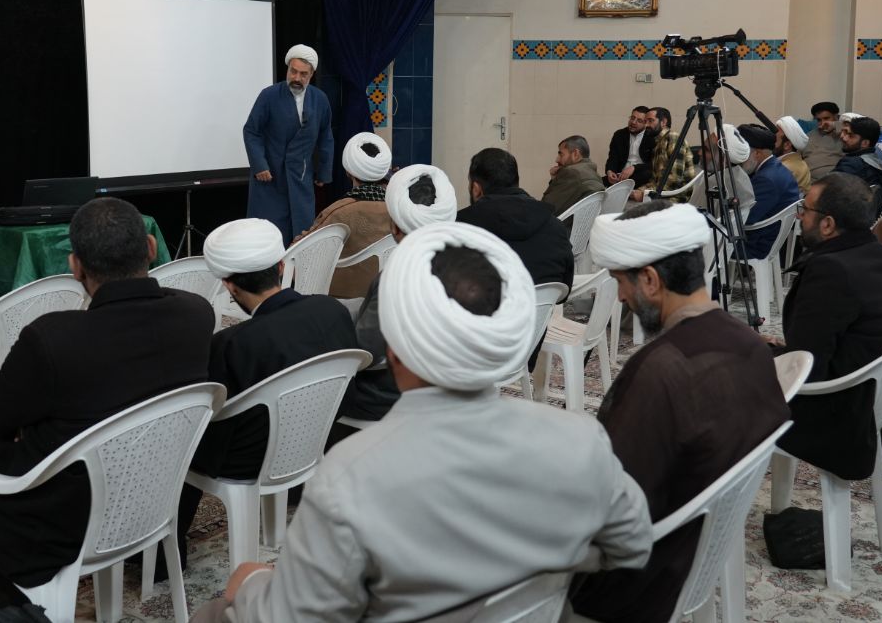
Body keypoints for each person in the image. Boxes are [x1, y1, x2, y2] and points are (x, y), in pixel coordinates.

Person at [195, 222, 653, 623]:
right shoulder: (581, 439)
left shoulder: (351, 475)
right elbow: (633, 546)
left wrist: (248, 585)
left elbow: (292, 616)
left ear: (394, 342)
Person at [0, 197, 213, 609]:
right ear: (151, 248)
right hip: (153, 493)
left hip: (64, 516)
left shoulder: (53, 337)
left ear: (75, 266)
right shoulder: (197, 313)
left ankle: (15, 610)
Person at [570, 201, 789, 623]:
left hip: (632, 584)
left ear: (650, 280)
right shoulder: (750, 344)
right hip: (690, 551)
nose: (621, 297)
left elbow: (610, 508)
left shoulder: (660, 371)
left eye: (620, 283)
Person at [177, 218, 361, 560]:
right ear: (281, 266)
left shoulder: (232, 343)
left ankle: (164, 553)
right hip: (317, 435)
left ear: (229, 287)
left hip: (250, 461)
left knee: (177, 436)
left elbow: (211, 416)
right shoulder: (332, 309)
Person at [773, 173, 882, 480]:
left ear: (827, 224)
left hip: (832, 423)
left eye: (805, 210)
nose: (799, 217)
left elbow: (806, 367)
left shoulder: (831, 269)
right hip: (866, 412)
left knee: (716, 376)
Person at [341, 164, 460, 426]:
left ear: (395, 226)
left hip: (386, 396)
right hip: (449, 389)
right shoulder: (465, 266)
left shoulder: (399, 276)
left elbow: (366, 352)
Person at [242, 44, 335, 245]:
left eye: (303, 74)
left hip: (301, 179)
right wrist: (260, 165)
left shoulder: (320, 100)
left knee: (300, 236)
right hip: (270, 180)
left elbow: (326, 136)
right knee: (268, 238)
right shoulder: (269, 96)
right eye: (293, 71)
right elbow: (251, 131)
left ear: (311, 74)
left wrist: (323, 172)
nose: (297, 78)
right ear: (288, 69)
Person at [457, 148, 574, 291]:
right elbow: (565, 285)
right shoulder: (555, 225)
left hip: (487, 304)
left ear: (476, 189)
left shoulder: (460, 229)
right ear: (515, 181)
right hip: (543, 305)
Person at [295, 131, 393, 299]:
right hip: (387, 296)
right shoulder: (400, 211)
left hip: (339, 299)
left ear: (348, 172)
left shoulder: (338, 212)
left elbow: (301, 253)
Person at [736, 123, 801, 259]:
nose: (738, 160)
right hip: (768, 238)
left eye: (742, 154)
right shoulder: (774, 168)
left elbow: (744, 218)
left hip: (756, 244)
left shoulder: (766, 179)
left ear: (757, 153)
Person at [690, 123, 756, 227]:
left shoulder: (713, 183)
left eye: (706, 150)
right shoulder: (741, 175)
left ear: (723, 158)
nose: (699, 152)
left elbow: (691, 219)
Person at [631, 106, 697, 204]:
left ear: (663, 122)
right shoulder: (658, 143)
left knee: (632, 209)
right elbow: (655, 180)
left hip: (677, 197)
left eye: (650, 121)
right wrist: (638, 191)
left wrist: (646, 193)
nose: (646, 125)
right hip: (664, 194)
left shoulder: (673, 137)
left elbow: (674, 179)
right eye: (645, 121)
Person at [833, 115, 882, 213]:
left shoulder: (852, 164)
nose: (843, 137)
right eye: (844, 132)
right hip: (864, 218)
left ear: (865, 143)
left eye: (850, 135)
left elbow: (828, 191)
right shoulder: (877, 157)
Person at [542, 134, 605, 216]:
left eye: (561, 154)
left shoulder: (571, 172)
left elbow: (545, 207)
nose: (557, 159)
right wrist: (555, 178)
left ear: (575, 154)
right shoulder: (592, 170)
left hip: (563, 223)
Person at [604, 106, 654, 186]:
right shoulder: (619, 135)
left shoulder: (652, 137)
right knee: (596, 183)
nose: (633, 122)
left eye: (639, 121)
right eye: (632, 118)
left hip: (642, 175)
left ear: (646, 123)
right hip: (620, 175)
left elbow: (654, 164)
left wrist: (634, 168)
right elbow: (613, 158)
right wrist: (610, 171)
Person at [803, 101, 844, 182]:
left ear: (836, 117)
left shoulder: (844, 133)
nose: (823, 123)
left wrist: (835, 125)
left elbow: (858, 128)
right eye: (819, 120)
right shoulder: (809, 135)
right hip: (808, 181)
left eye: (826, 118)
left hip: (833, 181)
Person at [774, 115, 812, 194]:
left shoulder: (784, 168)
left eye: (775, 139)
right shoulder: (800, 162)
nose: (772, 142)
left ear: (787, 145)